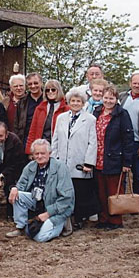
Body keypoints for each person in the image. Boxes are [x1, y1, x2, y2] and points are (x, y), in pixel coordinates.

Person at [7, 139, 74, 242]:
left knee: (39, 238)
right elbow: (21, 185)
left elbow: (67, 199)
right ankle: (20, 226)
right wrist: (14, 188)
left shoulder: (60, 168)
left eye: (42, 153)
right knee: (17, 194)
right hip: (38, 203)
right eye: (36, 153)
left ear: (49, 153)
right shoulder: (30, 166)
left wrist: (48, 214)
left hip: (56, 208)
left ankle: (63, 223)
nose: (39, 156)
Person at [51, 87, 97, 233]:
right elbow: (55, 139)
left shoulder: (90, 119)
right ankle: (67, 217)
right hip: (62, 160)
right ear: (68, 102)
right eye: (73, 101)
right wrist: (53, 158)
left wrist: (89, 162)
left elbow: (93, 142)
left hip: (80, 161)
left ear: (83, 103)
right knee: (65, 190)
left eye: (78, 101)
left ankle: (80, 218)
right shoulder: (61, 118)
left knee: (80, 191)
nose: (75, 103)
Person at [92, 85, 136, 230]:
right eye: (106, 97)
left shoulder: (122, 114)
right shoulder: (97, 112)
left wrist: (127, 162)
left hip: (114, 159)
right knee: (101, 191)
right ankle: (103, 218)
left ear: (116, 99)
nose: (108, 101)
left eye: (111, 98)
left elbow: (128, 139)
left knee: (114, 192)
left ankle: (115, 220)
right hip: (98, 158)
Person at [25, 80, 69, 153]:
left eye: (53, 89)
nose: (50, 92)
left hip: (59, 149)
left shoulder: (66, 109)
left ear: (59, 91)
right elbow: (32, 131)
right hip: (42, 149)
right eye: (47, 90)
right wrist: (29, 151)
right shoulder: (39, 108)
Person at [21, 73, 44, 145]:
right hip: (26, 139)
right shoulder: (22, 102)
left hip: (44, 138)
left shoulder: (47, 100)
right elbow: (17, 124)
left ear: (41, 83)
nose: (33, 86)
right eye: (30, 84)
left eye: (36, 83)